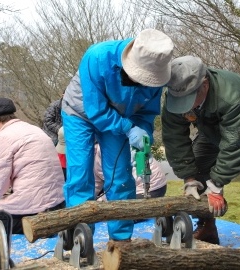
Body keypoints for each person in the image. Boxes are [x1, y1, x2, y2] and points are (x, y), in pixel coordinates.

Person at [61, 29, 174, 241]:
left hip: (122, 118)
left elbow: (146, 113)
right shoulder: (97, 57)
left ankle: (121, 239)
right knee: (81, 174)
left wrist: (142, 133)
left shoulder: (157, 76)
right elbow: (96, 110)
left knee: (120, 175)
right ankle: (78, 236)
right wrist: (129, 128)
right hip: (80, 113)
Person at [161, 55, 240, 244]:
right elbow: (174, 139)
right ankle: (207, 225)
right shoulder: (175, 93)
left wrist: (216, 185)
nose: (185, 108)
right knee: (197, 163)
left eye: (189, 100)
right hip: (211, 125)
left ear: (204, 84)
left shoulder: (234, 96)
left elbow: (233, 144)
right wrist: (189, 179)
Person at [0, 97, 65, 235]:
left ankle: (41, 225)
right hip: (58, 200)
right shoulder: (34, 129)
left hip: (36, 204)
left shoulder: (3, 137)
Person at [93, 143, 167, 200]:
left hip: (151, 187)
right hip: (147, 184)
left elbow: (120, 182)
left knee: (113, 211)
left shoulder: (106, 151)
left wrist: (102, 199)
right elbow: (96, 184)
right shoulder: (95, 156)